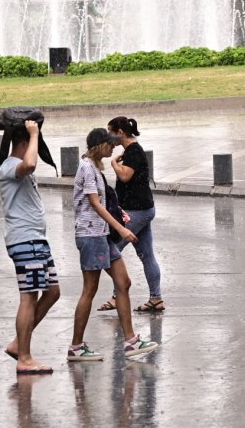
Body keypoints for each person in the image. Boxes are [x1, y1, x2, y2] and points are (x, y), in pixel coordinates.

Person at [69, 128, 159, 361]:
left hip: (102, 235)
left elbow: (102, 202)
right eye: (109, 144)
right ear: (99, 145)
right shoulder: (88, 168)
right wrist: (121, 229)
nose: (113, 147)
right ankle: (76, 347)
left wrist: (118, 213)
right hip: (91, 235)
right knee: (90, 290)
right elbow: (95, 204)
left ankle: (131, 341)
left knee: (123, 282)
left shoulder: (95, 168)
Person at [0, 120, 60, 375]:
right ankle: (24, 356)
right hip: (24, 240)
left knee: (52, 292)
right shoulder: (11, 167)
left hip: (36, 240)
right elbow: (31, 163)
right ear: (24, 142)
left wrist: (32, 135)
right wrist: (34, 133)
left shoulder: (16, 168)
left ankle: (17, 344)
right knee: (29, 297)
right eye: (32, 142)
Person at [97, 116, 165, 313]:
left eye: (110, 132)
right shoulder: (130, 151)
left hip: (138, 211)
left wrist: (114, 165)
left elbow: (125, 176)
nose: (109, 137)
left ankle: (118, 296)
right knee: (146, 254)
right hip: (142, 209)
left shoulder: (133, 150)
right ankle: (156, 298)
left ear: (120, 132)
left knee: (113, 249)